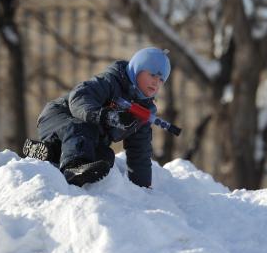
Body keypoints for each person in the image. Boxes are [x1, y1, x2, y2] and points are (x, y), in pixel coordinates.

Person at [23, 47, 171, 188]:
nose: (155, 82)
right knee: (81, 128)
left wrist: (142, 186)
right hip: (58, 116)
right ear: (137, 69)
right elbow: (79, 98)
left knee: (105, 156)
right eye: (152, 75)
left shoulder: (143, 112)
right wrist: (106, 115)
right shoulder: (111, 82)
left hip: (84, 137)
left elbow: (140, 150)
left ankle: (48, 152)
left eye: (161, 80)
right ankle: (73, 168)